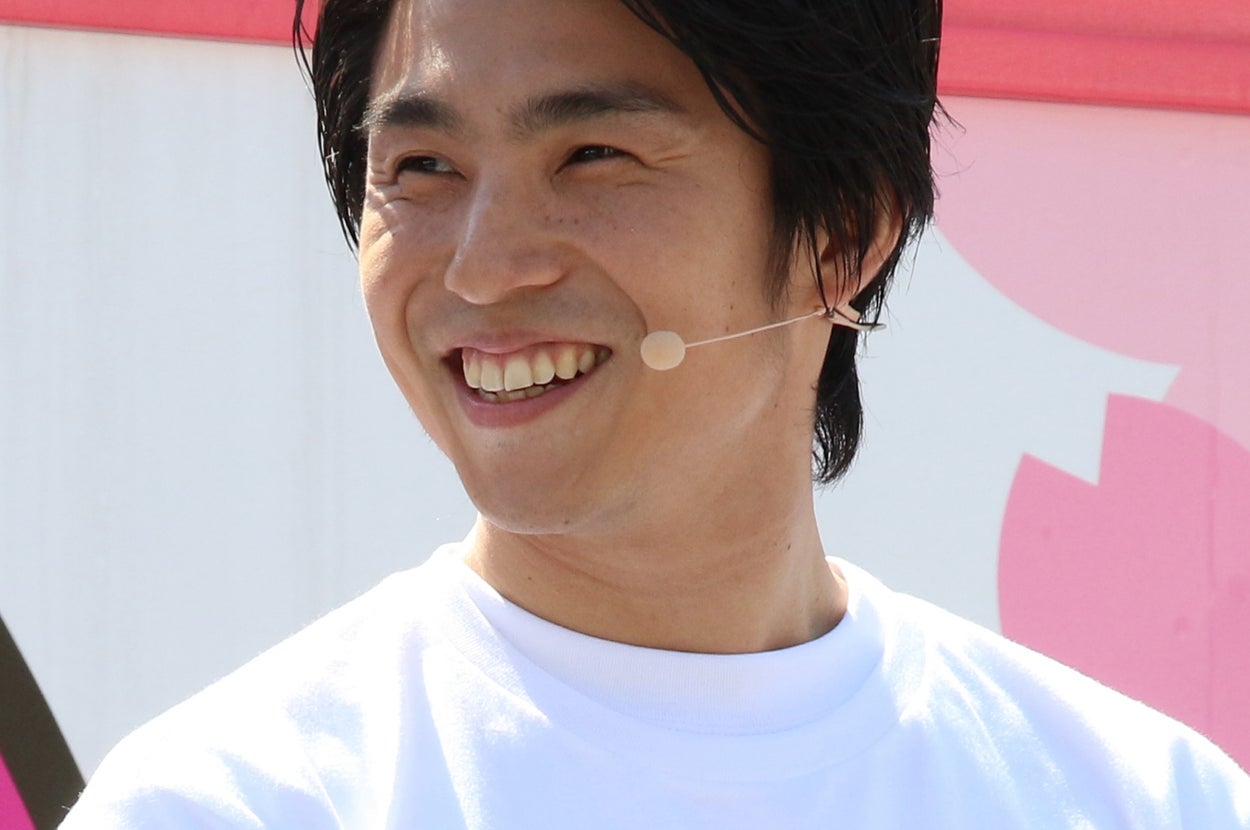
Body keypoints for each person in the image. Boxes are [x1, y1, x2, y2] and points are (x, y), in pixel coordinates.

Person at [64, 0, 1250, 826]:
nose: (482, 268)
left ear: (842, 233)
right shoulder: (230, 801)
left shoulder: (1142, 800)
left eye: (591, 155)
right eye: (421, 169)